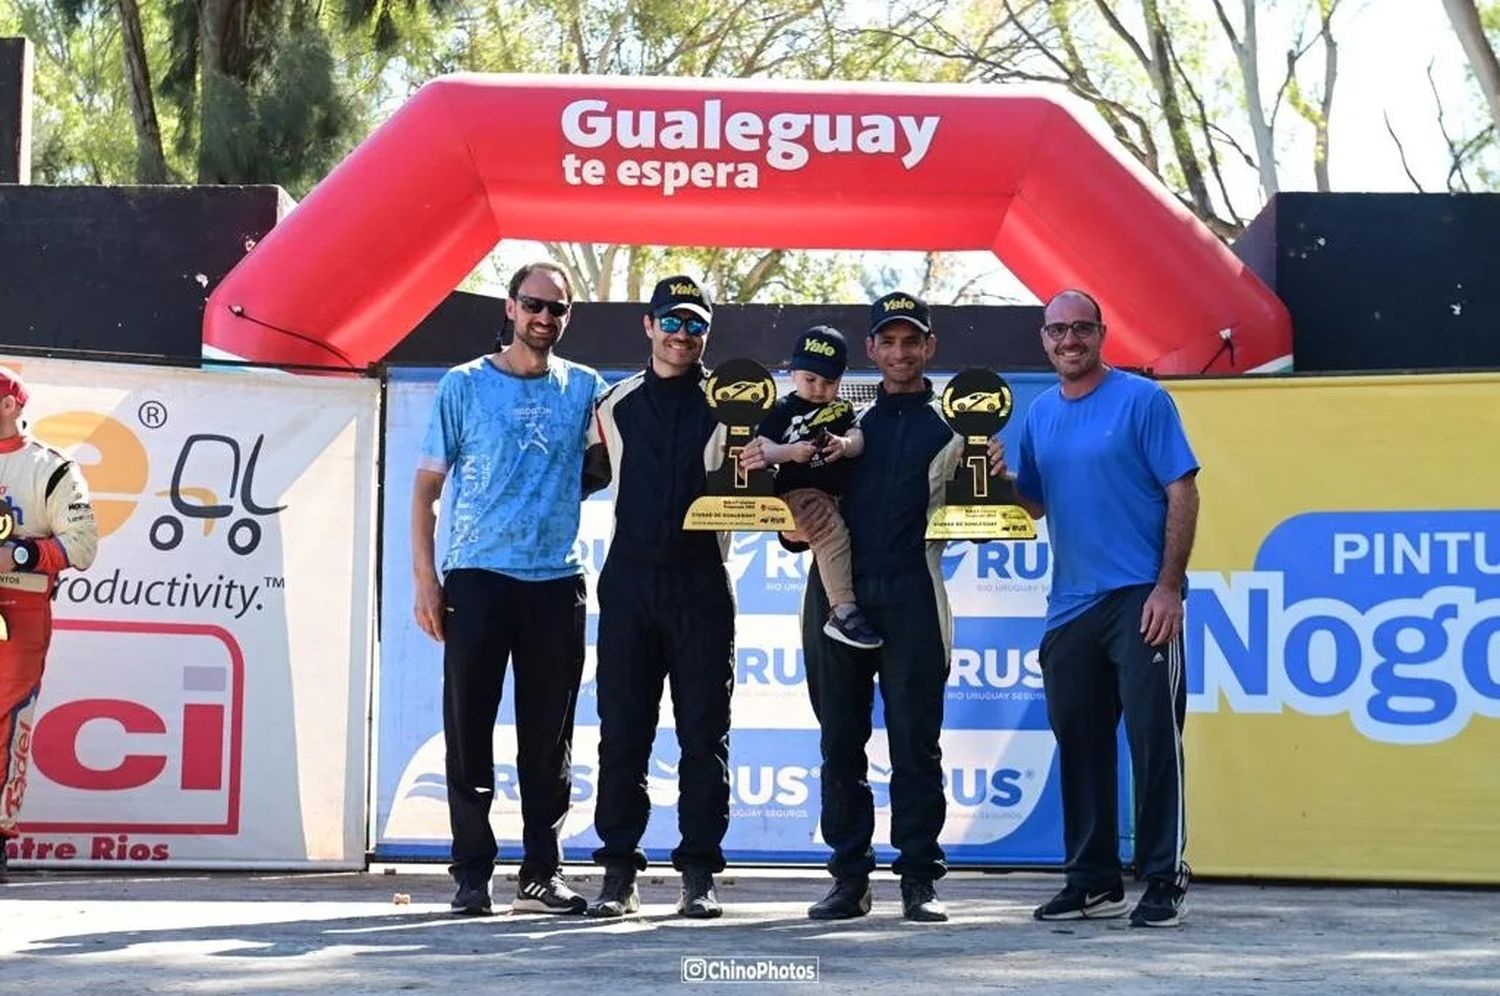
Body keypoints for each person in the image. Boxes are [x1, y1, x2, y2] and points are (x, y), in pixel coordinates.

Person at [744, 291, 989, 923]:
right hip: (837, 596)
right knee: (841, 743)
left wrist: (996, 477)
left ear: (929, 347)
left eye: (913, 341)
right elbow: (792, 512)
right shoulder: (837, 421)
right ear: (873, 349)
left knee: (916, 744)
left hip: (914, 594)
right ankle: (848, 880)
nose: (901, 352)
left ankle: (918, 880)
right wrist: (777, 502)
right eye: (889, 341)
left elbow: (986, 516)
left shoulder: (957, 428)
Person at [995, 288, 1199, 928]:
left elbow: (1183, 492)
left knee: (1152, 742)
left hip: (1141, 596)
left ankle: (1164, 878)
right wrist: (997, 476)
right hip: (1070, 608)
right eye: (1058, 332)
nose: (1069, 341)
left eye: (1081, 329)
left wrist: (1169, 586)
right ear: (1044, 340)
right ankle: (1092, 881)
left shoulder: (1143, 400)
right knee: (1079, 744)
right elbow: (1033, 506)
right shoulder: (1039, 416)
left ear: (1101, 333)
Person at [411, 261, 607, 917]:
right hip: (478, 578)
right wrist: (426, 580)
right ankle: (471, 873)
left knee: (549, 739)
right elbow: (427, 490)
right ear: (510, 306)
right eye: (534, 305)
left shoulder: (585, 387)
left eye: (557, 309)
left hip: (556, 582)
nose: (544, 318)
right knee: (467, 728)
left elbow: (609, 463)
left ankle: (541, 873)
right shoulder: (463, 386)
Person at [581, 274, 734, 920]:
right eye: (671, 322)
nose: (682, 334)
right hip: (629, 587)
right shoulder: (613, 404)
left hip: (701, 587)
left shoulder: (731, 404)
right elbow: (574, 478)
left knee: (704, 737)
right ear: (648, 326)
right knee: (622, 735)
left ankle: (699, 874)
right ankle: (618, 873)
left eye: (695, 324)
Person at [0, 366, 99, 883]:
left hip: (17, 611)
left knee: (6, 719)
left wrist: (16, 553)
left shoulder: (51, 468)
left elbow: (82, 545)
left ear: (12, 405)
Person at [750, 325, 880, 649]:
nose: (819, 388)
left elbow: (858, 438)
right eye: (811, 379)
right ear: (792, 373)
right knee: (830, 530)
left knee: (844, 530)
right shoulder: (780, 410)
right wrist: (790, 452)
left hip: (840, 495)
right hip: (797, 494)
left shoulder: (843, 408)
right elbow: (760, 450)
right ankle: (843, 610)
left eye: (829, 382)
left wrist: (845, 444)